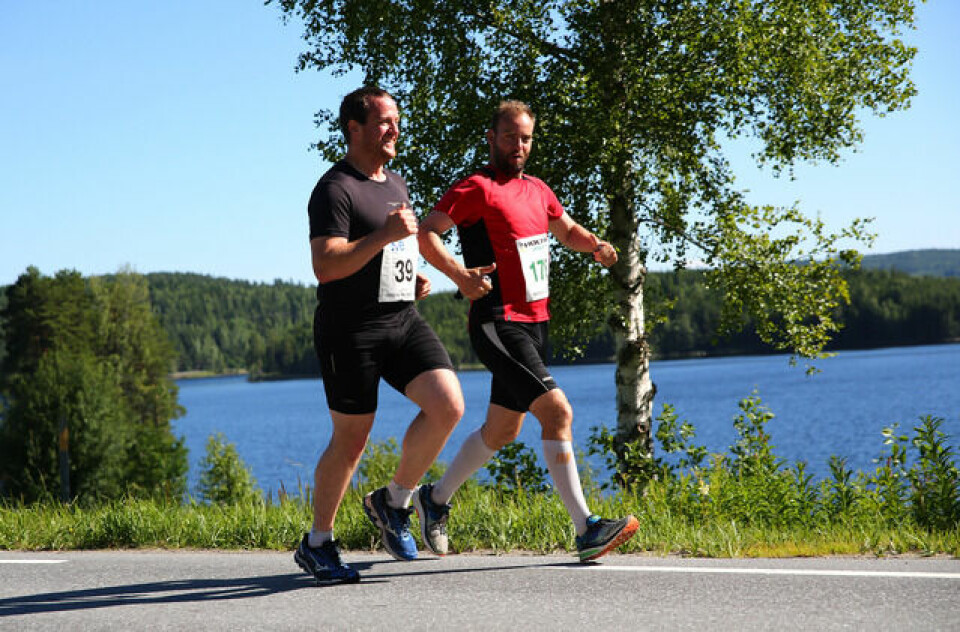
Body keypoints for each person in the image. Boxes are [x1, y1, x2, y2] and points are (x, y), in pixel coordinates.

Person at [416, 100, 638, 563]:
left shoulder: (538, 190)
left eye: (526, 138)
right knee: (557, 411)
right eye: (510, 136)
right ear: (492, 138)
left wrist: (596, 245)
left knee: (502, 430)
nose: (519, 145)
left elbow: (566, 229)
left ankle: (434, 500)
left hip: (536, 323)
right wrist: (458, 275)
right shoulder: (476, 188)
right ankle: (586, 529)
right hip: (498, 320)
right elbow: (427, 232)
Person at [294, 86, 464, 585]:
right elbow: (326, 264)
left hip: (401, 319)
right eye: (385, 121)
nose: (395, 129)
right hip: (350, 330)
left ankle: (394, 501)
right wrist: (384, 236)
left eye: (396, 120)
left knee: (448, 405)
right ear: (355, 129)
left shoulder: (396, 183)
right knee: (352, 440)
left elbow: (388, 253)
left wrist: (411, 278)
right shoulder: (334, 189)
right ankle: (318, 543)